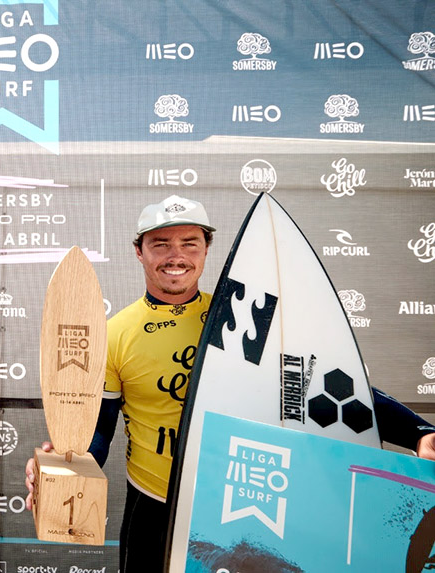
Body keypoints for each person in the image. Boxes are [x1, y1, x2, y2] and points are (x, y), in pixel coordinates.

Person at [24, 194, 435, 572]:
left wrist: (416, 432)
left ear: (206, 249)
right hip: (153, 502)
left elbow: (325, 388)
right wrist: (66, 462)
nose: (176, 256)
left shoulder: (244, 318)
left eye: (189, 243)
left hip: (239, 504)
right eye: (160, 244)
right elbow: (100, 430)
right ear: (139, 251)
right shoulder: (114, 334)